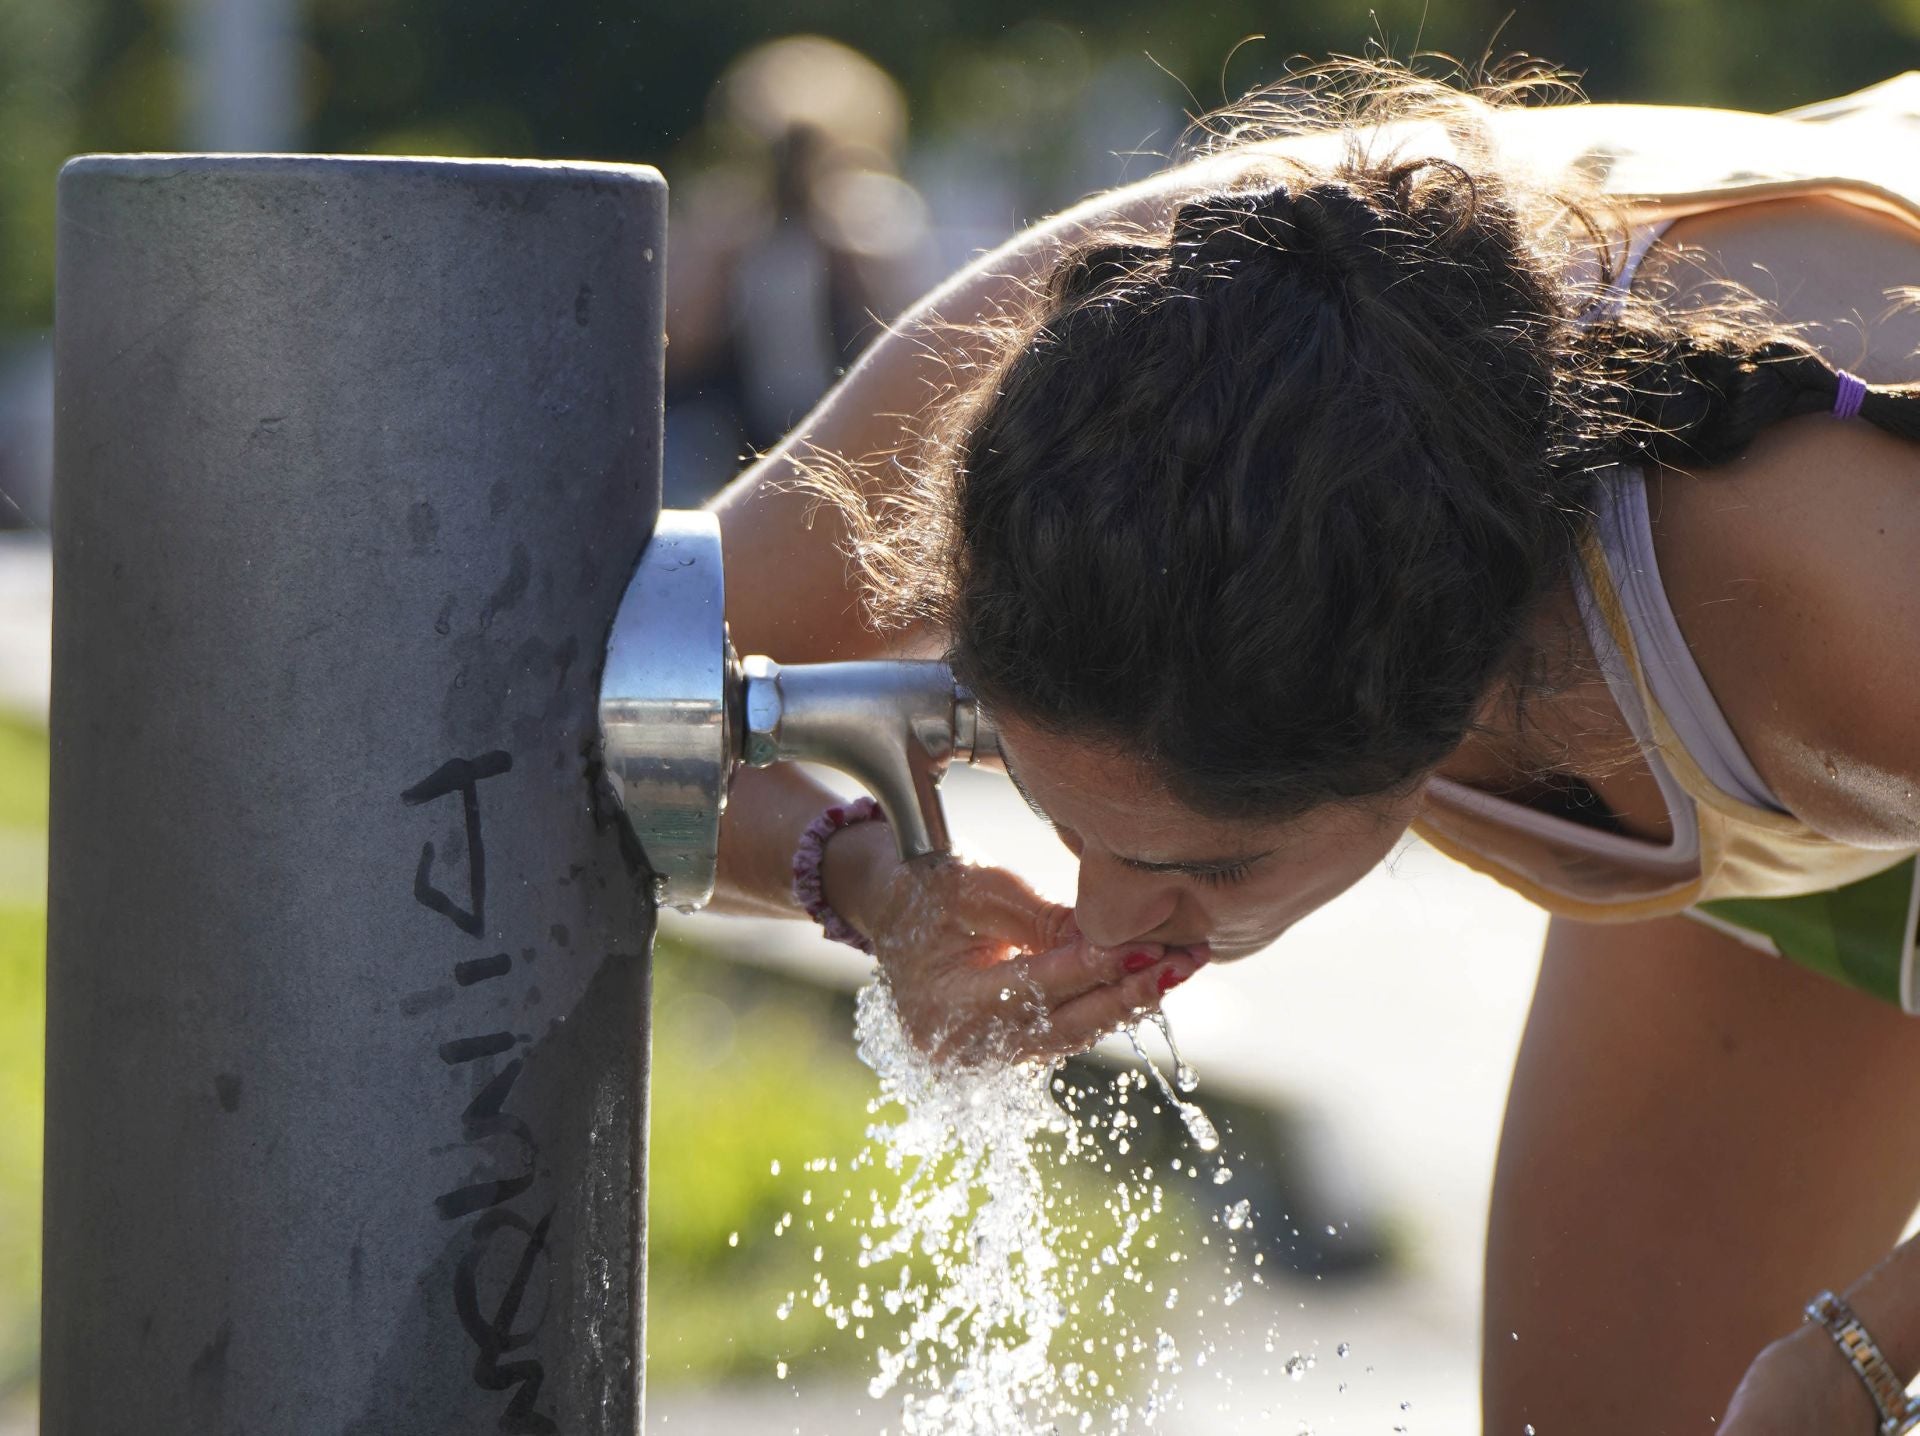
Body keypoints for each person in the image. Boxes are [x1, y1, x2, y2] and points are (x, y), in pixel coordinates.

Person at [703, 56, 1920, 1434]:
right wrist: (868, 884)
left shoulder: (1847, 602)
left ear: (1452, 705)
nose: (1101, 915)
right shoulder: (1113, 346)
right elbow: (571, 698)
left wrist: (1863, 1352)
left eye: (1216, 866)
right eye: (1059, 814)